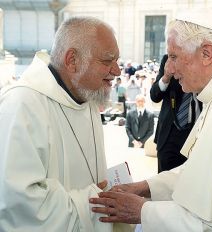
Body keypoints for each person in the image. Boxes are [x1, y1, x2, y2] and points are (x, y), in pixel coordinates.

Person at [89, 7, 212, 232]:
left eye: (174, 56)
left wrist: (142, 211)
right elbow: (197, 172)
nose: (170, 69)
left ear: (206, 53)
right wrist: (144, 187)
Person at [0, 16, 123, 232]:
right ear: (72, 60)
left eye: (117, 61)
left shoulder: (88, 97)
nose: (117, 71)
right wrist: (96, 201)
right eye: (107, 61)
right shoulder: (22, 105)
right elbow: (19, 205)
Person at [150, 54, 201, 172]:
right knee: (163, 184)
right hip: (169, 133)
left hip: (195, 134)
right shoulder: (168, 59)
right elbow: (155, 96)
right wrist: (166, 76)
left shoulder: (203, 60)